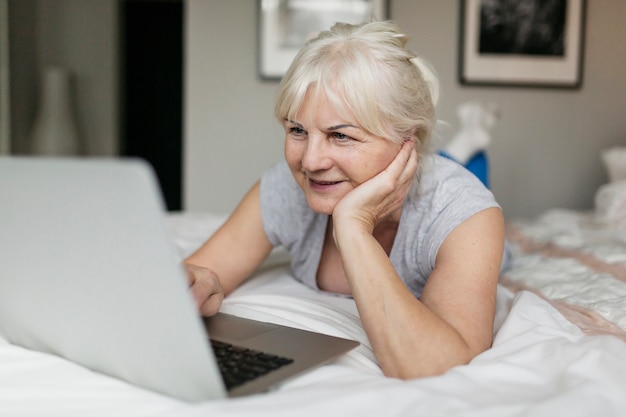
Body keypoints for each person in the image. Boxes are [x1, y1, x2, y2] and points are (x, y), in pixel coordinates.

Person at [184, 20, 506, 380]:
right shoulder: (287, 188)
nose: (310, 161)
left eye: (340, 135)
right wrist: (200, 284)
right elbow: (196, 276)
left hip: (445, 188)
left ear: (405, 141)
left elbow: (435, 366)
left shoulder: (464, 212)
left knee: (460, 172)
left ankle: (468, 148)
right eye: (297, 130)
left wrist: (352, 228)